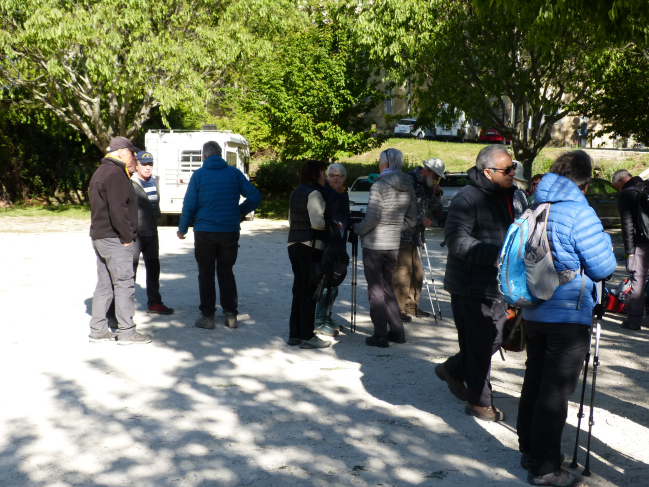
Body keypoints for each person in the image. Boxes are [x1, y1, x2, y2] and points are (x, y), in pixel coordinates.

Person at [517, 151, 616, 486]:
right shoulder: (580, 213)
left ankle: (529, 448)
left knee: (535, 378)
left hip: (533, 308)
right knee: (555, 390)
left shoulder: (533, 205)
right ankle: (545, 468)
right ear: (584, 182)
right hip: (568, 314)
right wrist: (602, 240)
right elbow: (602, 267)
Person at [436, 144, 515, 422]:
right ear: (488, 172)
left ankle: (454, 369)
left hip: (501, 285)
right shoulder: (467, 198)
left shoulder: (511, 196)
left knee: (494, 339)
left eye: (513, 167)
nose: (513, 173)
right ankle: (479, 402)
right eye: (507, 169)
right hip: (470, 286)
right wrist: (495, 256)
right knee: (481, 344)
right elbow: (457, 240)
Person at [177, 141, 261, 330]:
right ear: (221, 155)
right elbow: (255, 196)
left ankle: (207, 317)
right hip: (230, 230)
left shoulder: (198, 175)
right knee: (226, 272)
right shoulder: (234, 173)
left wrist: (182, 229)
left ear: (204, 156)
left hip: (205, 231)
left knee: (205, 274)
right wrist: (239, 211)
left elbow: (189, 205)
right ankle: (231, 315)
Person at [88, 136, 151, 345]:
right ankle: (127, 332)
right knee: (124, 284)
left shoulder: (100, 171)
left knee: (105, 284)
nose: (134, 157)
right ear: (121, 152)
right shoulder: (115, 174)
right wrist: (127, 237)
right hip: (115, 238)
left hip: (100, 236)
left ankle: (98, 330)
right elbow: (118, 209)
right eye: (132, 153)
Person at [353, 149, 417, 347]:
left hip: (374, 244)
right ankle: (397, 332)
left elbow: (371, 219)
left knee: (376, 290)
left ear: (386, 164)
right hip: (392, 244)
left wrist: (357, 229)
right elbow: (412, 220)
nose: (379, 165)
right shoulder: (409, 186)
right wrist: (395, 228)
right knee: (388, 288)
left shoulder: (379, 185)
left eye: (380, 162)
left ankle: (380, 334)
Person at [287, 160, 335, 349]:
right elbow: (317, 222)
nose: (325, 175)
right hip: (310, 245)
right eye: (323, 171)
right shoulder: (314, 193)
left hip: (294, 244)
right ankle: (307, 335)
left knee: (299, 290)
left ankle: (295, 334)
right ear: (315, 174)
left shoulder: (296, 191)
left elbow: (290, 218)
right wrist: (332, 224)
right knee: (309, 292)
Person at [393, 158, 444, 320]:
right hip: (404, 233)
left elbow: (432, 206)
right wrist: (420, 218)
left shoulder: (428, 184)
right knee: (403, 271)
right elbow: (402, 206)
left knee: (417, 272)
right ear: (428, 171)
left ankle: (411, 306)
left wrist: (436, 194)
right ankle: (397, 309)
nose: (437, 179)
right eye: (437, 176)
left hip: (418, 235)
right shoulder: (409, 180)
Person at [131, 151, 174, 315]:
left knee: (153, 268)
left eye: (150, 164)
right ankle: (124, 306)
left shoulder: (155, 180)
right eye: (144, 164)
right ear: (137, 165)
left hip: (151, 232)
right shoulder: (130, 182)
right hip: (135, 234)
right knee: (130, 270)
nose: (148, 168)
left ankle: (154, 303)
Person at [314, 163, 350, 337]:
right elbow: (328, 211)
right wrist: (336, 192)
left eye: (339, 175)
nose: (335, 178)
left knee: (335, 284)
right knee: (326, 282)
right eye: (331, 175)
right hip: (327, 242)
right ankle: (320, 320)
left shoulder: (344, 191)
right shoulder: (324, 190)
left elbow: (345, 215)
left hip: (339, 242)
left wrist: (351, 226)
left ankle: (327, 317)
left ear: (344, 178)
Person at [612, 169, 648, 331]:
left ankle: (634, 320)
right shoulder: (645, 187)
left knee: (638, 279)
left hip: (641, 242)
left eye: (616, 187)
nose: (618, 190)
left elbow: (627, 225)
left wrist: (630, 252)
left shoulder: (627, 195)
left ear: (621, 181)